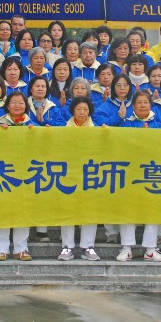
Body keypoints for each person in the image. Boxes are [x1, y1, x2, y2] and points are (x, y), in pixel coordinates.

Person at [57, 96, 102, 261]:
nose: (82, 112)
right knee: (68, 210)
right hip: (69, 173)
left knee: (89, 210)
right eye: (78, 109)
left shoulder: (98, 130)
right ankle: (67, 246)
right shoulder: (63, 129)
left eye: (85, 109)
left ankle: (88, 247)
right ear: (72, 111)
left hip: (90, 174)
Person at [0, 91, 36, 261]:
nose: (17, 106)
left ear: (26, 105)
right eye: (13, 102)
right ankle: (2, 248)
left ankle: (21, 248)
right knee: (3, 211)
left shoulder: (31, 124)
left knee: (22, 211)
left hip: (25, 172)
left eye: (21, 103)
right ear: (7, 105)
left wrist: (39, 132)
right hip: (4, 173)